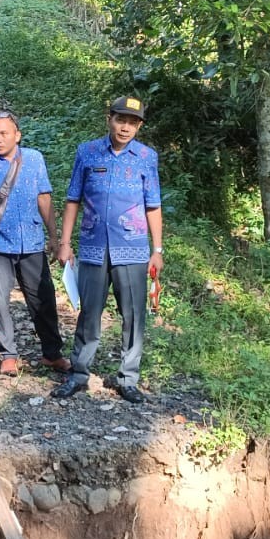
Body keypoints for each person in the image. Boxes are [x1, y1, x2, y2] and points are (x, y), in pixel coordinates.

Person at [54, 96, 164, 404]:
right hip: (92, 247)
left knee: (133, 314)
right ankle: (78, 373)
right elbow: (73, 199)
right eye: (120, 120)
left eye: (132, 123)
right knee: (89, 311)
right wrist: (65, 243)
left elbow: (153, 205)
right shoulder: (87, 152)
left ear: (139, 126)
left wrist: (157, 249)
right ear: (109, 118)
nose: (125, 127)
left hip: (132, 249)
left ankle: (128, 378)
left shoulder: (146, 157)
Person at [0, 111, 70, 377]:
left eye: (3, 133)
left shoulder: (34, 159)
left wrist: (54, 237)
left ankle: (52, 353)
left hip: (32, 242)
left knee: (43, 299)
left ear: (17, 135)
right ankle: (8, 355)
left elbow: (44, 198)